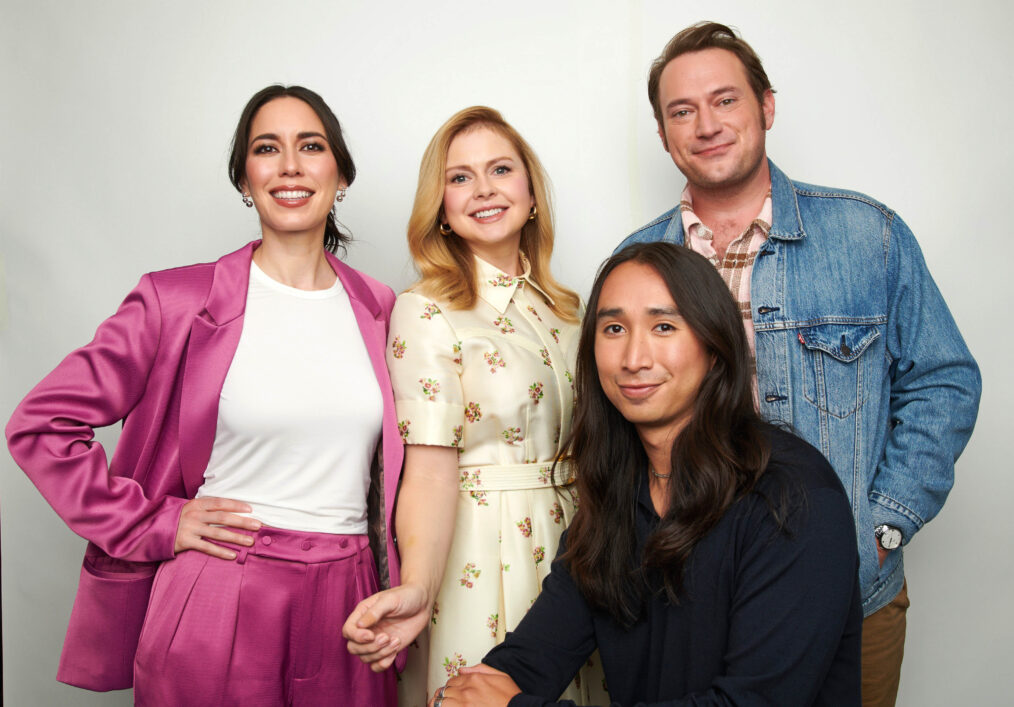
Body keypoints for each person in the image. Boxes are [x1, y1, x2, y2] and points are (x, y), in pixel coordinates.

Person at [614, 22, 982, 706]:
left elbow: (943, 378)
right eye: (682, 111)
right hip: (692, 597)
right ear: (663, 135)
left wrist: (883, 524)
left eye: (725, 100)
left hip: (853, 594)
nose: (705, 125)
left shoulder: (868, 236)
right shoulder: (634, 264)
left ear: (766, 107)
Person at [6, 85, 401, 705]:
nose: (290, 165)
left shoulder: (382, 310)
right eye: (267, 148)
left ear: (340, 174)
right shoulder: (176, 301)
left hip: (350, 601)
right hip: (222, 589)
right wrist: (154, 522)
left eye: (311, 146)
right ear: (245, 179)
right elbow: (42, 425)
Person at [429, 242, 862, 706]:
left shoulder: (793, 496)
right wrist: (463, 696)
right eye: (614, 328)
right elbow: (538, 652)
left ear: (714, 347)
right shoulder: (619, 491)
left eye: (663, 327)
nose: (634, 358)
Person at [343, 106, 606, 705]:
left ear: (531, 192)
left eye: (500, 169)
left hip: (581, 543)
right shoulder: (426, 309)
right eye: (459, 177)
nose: (483, 190)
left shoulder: (568, 309)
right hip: (481, 548)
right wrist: (419, 586)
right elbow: (429, 471)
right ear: (440, 206)